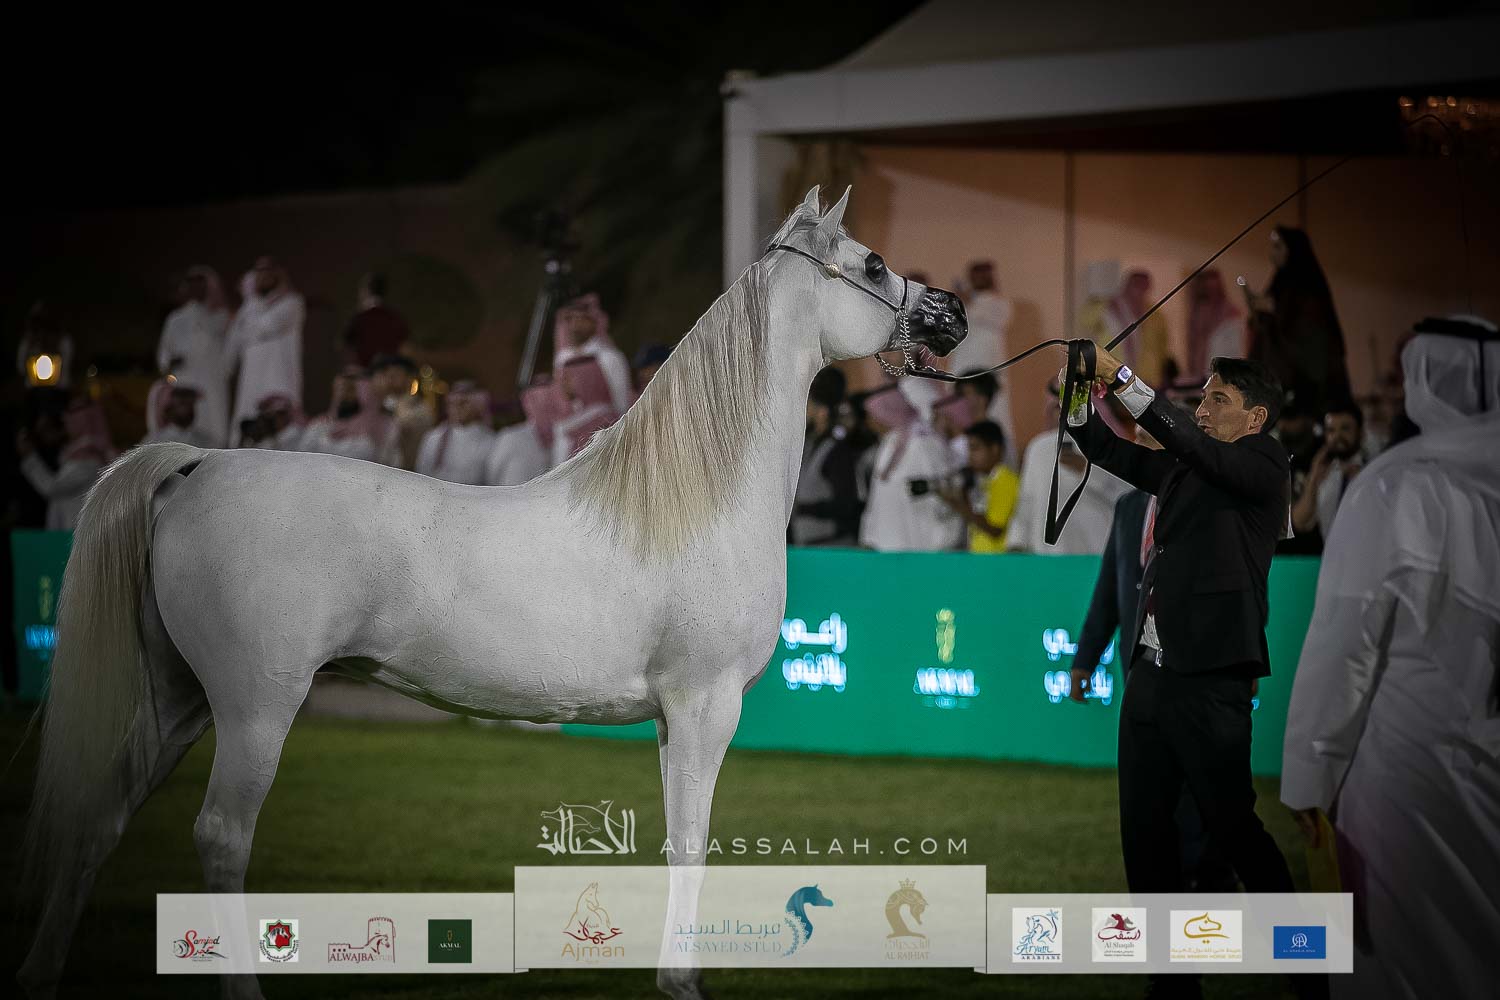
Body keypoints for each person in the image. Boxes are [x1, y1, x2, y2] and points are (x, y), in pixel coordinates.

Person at [1065, 349, 1318, 1000]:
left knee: (1235, 831)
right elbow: (1105, 448)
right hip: (1150, 678)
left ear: (1255, 418)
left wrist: (1123, 379)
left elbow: (1189, 443)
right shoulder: (1188, 467)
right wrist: (1077, 392)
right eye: (1202, 398)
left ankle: (1307, 967)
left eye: (1217, 400)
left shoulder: (1266, 462)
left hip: (1211, 682)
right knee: (1145, 836)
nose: (1202, 409)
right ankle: (1171, 984)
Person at [1281, 316, 1499, 1000]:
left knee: (1398, 957)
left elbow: (1344, 645)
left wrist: (1308, 777)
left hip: (1409, 777)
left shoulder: (1397, 482)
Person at [1071, 416, 1239, 895]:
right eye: (1142, 437)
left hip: (1195, 673)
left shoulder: (1212, 501)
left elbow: (1237, 589)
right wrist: (1085, 658)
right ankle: (1164, 890)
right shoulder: (1128, 507)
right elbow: (1110, 587)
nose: (1144, 445)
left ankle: (1205, 879)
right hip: (1140, 670)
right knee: (1148, 787)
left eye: (1155, 436)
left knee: (1196, 781)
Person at [1007, 380, 1129, 554]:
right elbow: (1027, 500)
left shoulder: (1107, 445)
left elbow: (1126, 496)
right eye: (1057, 407)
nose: (1063, 411)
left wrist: (1087, 470)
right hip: (1048, 554)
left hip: (1095, 551)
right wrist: (1016, 541)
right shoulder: (1038, 448)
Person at [1247, 226, 1351, 417]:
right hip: (1277, 382)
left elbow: (1311, 333)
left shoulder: (1308, 284)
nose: (1272, 253)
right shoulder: (1279, 282)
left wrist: (1276, 310)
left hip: (1306, 383)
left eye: (1278, 246)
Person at [858, 381, 963, 552]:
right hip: (888, 545)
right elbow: (877, 495)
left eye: (876, 415)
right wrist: (869, 536)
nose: (872, 422)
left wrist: (943, 542)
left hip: (923, 544)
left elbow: (943, 492)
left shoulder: (925, 444)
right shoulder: (889, 443)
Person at [227, 257, 305, 444]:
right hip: (250, 381)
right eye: (259, 273)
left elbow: (265, 327)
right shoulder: (248, 307)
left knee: (279, 438)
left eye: (267, 272)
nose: (263, 277)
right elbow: (234, 340)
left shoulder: (292, 302)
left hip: (279, 380)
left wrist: (249, 302)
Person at [156, 266, 232, 445]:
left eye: (201, 284)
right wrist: (169, 362)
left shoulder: (220, 316)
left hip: (212, 382)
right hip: (184, 379)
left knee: (214, 426)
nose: (196, 289)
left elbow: (228, 349)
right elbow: (164, 351)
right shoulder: (175, 318)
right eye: (192, 284)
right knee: (185, 426)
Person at [790, 368, 864, 547]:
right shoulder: (809, 443)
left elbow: (846, 505)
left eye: (809, 403)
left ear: (822, 411)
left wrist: (802, 508)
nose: (805, 409)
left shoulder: (836, 451)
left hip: (832, 546)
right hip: (809, 545)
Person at [17, 400, 116, 530]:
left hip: (76, 533)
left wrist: (30, 458)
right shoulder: (75, 454)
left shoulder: (90, 460)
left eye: (73, 414)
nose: (66, 419)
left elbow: (52, 488)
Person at [938, 420, 1019, 553]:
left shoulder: (1006, 481)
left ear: (995, 449)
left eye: (975, 448)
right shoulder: (986, 481)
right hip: (982, 556)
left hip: (996, 558)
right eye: (969, 450)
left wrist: (957, 505)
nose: (970, 456)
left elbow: (995, 529)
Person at [1291, 399, 1365, 540]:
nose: (1337, 436)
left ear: (1360, 432)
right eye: (1331, 430)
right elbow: (1300, 522)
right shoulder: (1323, 471)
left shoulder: (1372, 466)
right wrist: (1313, 480)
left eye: (1345, 429)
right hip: (1331, 550)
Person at [1086, 270, 1171, 388]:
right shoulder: (1109, 309)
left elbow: (1162, 347)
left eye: (1143, 287)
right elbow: (1086, 322)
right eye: (1136, 285)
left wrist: (1161, 374)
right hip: (1111, 377)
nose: (1139, 291)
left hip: (1146, 379)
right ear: (1126, 287)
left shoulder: (1155, 315)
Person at [553, 293, 632, 414]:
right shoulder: (562, 359)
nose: (575, 325)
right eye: (570, 319)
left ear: (595, 323)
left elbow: (621, 402)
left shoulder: (609, 357)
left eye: (582, 319)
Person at [298, 368, 389, 463]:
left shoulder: (378, 428)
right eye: (341, 389)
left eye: (351, 389)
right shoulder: (320, 424)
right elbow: (302, 457)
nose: (344, 395)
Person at [947, 260, 1013, 386]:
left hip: (988, 357)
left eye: (983, 276)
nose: (979, 279)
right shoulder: (960, 302)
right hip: (963, 358)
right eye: (976, 276)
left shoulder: (1000, 302)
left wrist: (969, 303)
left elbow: (1000, 322)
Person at [415, 381, 495, 484]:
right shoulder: (434, 436)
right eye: (452, 403)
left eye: (463, 403)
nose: (457, 408)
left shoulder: (489, 440)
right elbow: (422, 471)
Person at [485, 380, 561, 487]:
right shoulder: (510, 437)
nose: (546, 410)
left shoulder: (566, 437)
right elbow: (492, 476)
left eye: (550, 405)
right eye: (540, 403)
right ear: (527, 403)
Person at [551, 356, 619, 467]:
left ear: (585, 379)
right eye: (562, 379)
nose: (563, 384)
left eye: (568, 379)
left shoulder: (606, 420)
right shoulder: (572, 419)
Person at [1185, 269, 1245, 382]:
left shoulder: (1231, 312)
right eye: (1208, 288)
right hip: (1201, 370)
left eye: (1215, 288)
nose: (1212, 292)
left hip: (1223, 370)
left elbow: (1236, 347)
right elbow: (1193, 342)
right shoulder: (1199, 311)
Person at [344, 272, 411, 368]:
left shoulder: (358, 318)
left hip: (364, 372)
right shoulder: (396, 318)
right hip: (389, 372)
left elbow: (345, 345)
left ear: (366, 291)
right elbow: (405, 345)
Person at [954, 368, 1017, 468]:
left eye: (964, 394)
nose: (957, 401)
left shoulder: (995, 436)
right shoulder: (962, 433)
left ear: (982, 399)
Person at [140, 383, 217, 448]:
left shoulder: (208, 442)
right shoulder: (152, 444)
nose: (185, 407)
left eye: (188, 402)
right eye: (180, 402)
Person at [931, 392, 976, 468]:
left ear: (949, 418)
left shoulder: (966, 446)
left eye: (937, 417)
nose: (933, 422)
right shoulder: (949, 445)